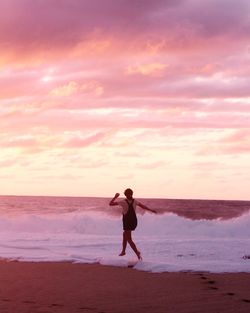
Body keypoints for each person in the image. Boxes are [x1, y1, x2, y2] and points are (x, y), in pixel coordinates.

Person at [109, 188, 156, 260]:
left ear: (125, 195)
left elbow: (110, 204)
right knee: (125, 234)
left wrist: (115, 197)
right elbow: (143, 206)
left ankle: (137, 253)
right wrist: (151, 210)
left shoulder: (123, 202)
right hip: (133, 221)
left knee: (129, 239)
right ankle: (123, 251)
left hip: (128, 222)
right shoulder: (135, 201)